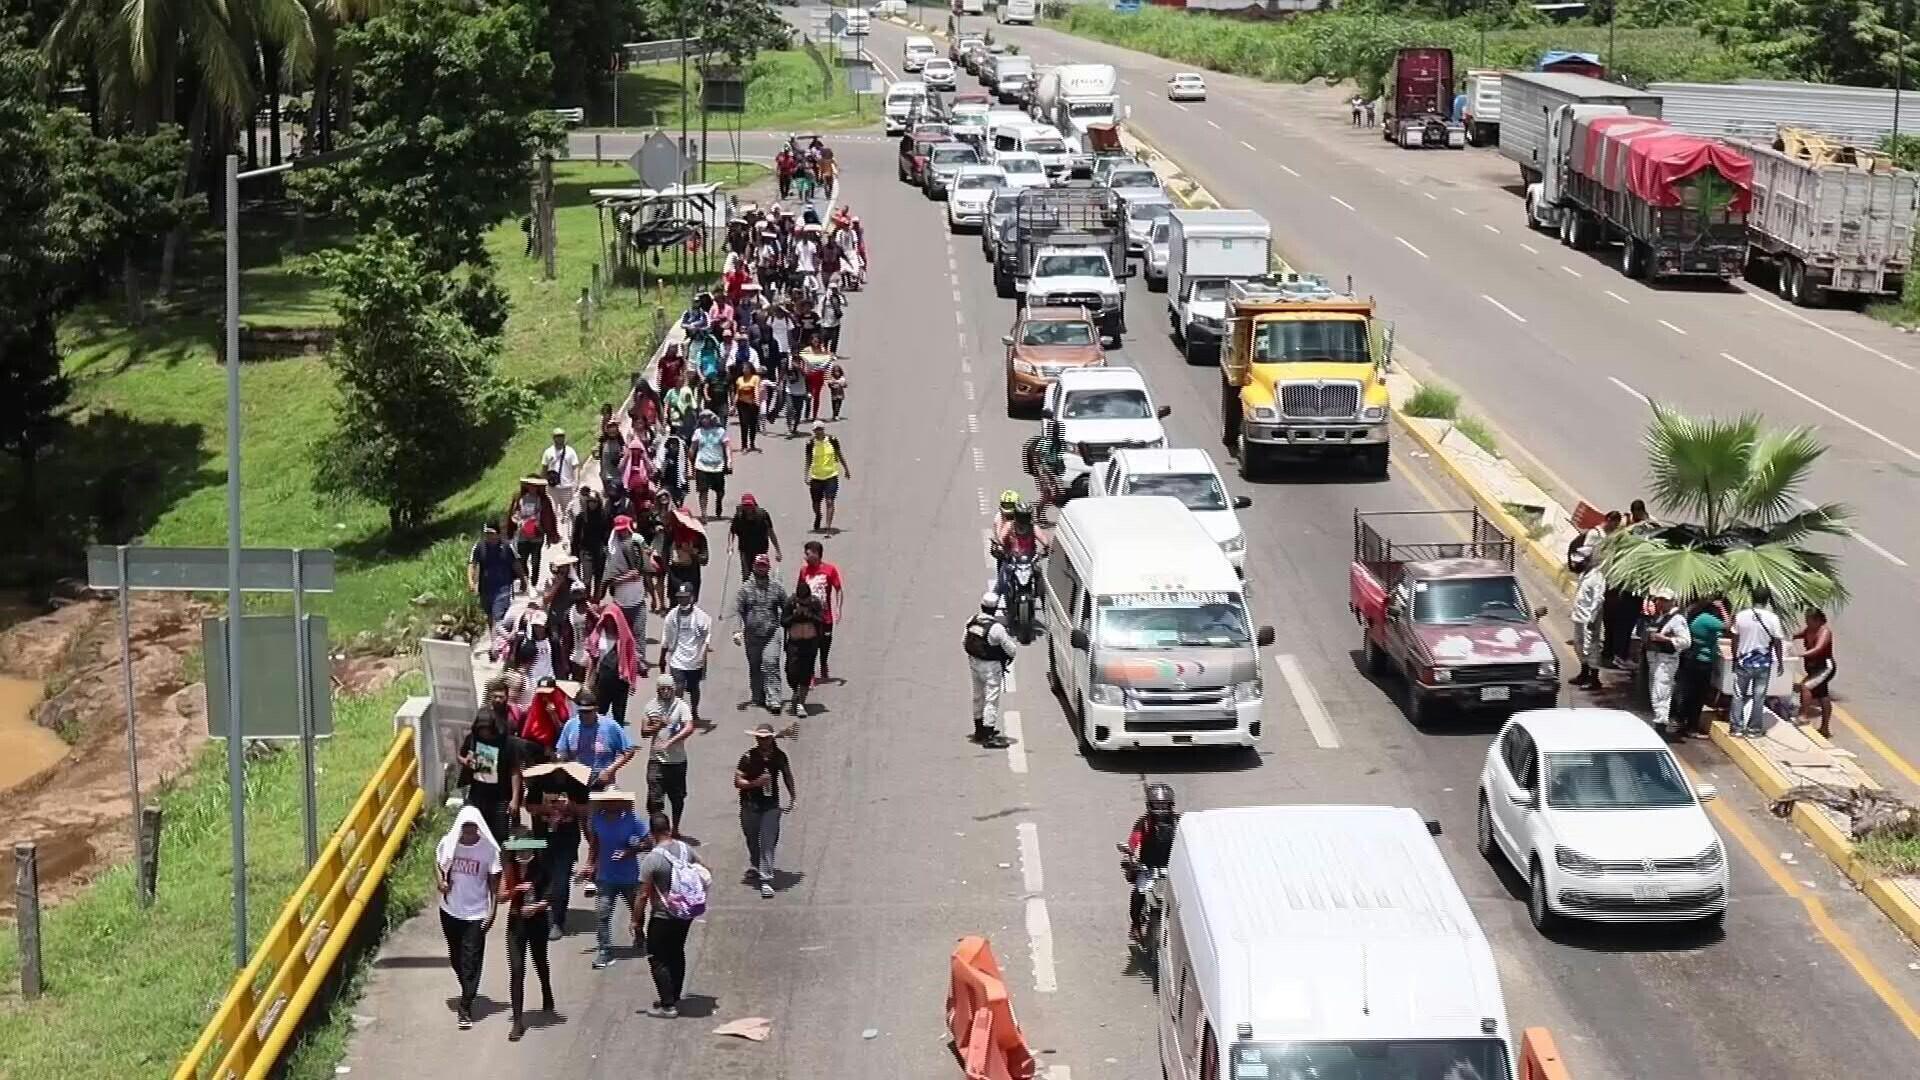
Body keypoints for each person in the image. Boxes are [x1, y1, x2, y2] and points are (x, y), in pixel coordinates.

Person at [436, 806, 501, 1029]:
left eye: (473, 827)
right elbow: (438, 863)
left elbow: (494, 883)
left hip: (476, 913)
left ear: (479, 827)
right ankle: (468, 988)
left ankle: (465, 1005)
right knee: (456, 958)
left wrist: (492, 912)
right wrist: (441, 882)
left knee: (471, 960)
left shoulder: (489, 850)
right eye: (465, 827)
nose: (469, 832)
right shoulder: (449, 843)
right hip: (451, 910)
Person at [638, 812, 707, 1018]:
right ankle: (674, 996)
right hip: (685, 912)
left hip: (662, 914)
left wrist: (635, 921)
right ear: (669, 828)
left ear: (652, 832)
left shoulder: (652, 859)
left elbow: (642, 894)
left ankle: (668, 1005)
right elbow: (704, 869)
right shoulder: (685, 849)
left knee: (657, 957)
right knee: (677, 952)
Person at [580, 789, 649, 970]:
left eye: (614, 801)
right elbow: (594, 845)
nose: (610, 804)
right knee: (602, 914)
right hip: (605, 877)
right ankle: (605, 950)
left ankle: (639, 934)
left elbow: (648, 842)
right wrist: (589, 865)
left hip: (629, 876)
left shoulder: (633, 820)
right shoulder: (597, 820)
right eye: (607, 801)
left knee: (637, 912)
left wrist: (630, 852)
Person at [500, 835, 557, 1041]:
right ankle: (517, 1021)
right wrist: (514, 889)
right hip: (516, 924)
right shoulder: (510, 868)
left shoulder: (542, 868)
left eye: (526, 851)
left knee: (540, 961)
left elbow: (550, 898)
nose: (522, 855)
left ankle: (546, 991)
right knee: (516, 970)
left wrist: (535, 907)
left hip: (538, 922)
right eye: (519, 851)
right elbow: (500, 897)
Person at [735, 723, 796, 898]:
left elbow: (787, 775)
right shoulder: (748, 757)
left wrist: (793, 796)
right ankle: (757, 864)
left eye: (766, 738)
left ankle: (766, 879)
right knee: (752, 838)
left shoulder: (779, 756)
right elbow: (738, 782)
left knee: (768, 842)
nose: (763, 741)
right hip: (750, 805)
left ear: (772, 738)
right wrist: (755, 784)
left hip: (770, 806)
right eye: (760, 738)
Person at [1122, 783, 1179, 942]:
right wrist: (1129, 855)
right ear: (1149, 804)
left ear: (1170, 805)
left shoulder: (1179, 822)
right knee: (1139, 893)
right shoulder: (1144, 823)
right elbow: (1134, 840)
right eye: (1157, 804)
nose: (1160, 808)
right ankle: (1135, 926)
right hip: (1148, 866)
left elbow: (1190, 840)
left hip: (1173, 866)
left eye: (1163, 804)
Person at [734, 553, 789, 713]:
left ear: (768, 567)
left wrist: (789, 627)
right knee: (755, 666)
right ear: (753, 567)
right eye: (759, 565)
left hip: (771, 633)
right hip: (752, 635)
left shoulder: (776, 587)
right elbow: (738, 610)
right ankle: (758, 696)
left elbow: (786, 607)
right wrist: (737, 630)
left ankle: (774, 699)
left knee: (771, 664)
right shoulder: (745, 589)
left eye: (764, 565)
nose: (761, 568)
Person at [459, 708, 522, 844]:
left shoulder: (507, 743)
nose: (484, 733)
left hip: (501, 795)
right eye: (481, 730)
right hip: (477, 793)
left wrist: (515, 799)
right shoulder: (472, 739)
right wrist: (465, 762)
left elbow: (515, 771)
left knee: (499, 835)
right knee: (475, 830)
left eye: (487, 730)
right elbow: (461, 755)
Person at [642, 674, 696, 831]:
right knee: (654, 799)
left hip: (677, 761)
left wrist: (670, 742)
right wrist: (658, 726)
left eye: (669, 689)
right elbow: (644, 731)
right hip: (656, 760)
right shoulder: (650, 707)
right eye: (662, 689)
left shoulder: (681, 706)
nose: (666, 692)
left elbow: (689, 727)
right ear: (657, 690)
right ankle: (658, 831)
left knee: (677, 798)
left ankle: (675, 828)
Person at [1729, 589, 1786, 738]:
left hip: (1743, 662)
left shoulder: (1741, 616)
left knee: (1738, 695)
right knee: (1759, 696)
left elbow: (1734, 638)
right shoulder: (1773, 618)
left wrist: (1735, 658)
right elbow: (1777, 642)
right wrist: (1780, 662)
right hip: (1763, 664)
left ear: (1752, 598)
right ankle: (1754, 729)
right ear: (1767, 601)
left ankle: (1736, 728)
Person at [963, 591, 1016, 749]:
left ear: (982, 606)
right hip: (991, 667)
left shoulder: (971, 621)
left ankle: (979, 730)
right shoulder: (996, 628)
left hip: (974, 663)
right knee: (991, 700)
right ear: (994, 610)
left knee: (978, 696)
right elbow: (1011, 649)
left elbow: (963, 641)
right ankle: (988, 735)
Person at [556, 692, 637, 790]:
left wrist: (610, 770)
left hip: (603, 779)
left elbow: (629, 750)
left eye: (588, 712)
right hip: (576, 779)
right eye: (581, 712)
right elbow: (562, 751)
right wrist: (560, 759)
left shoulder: (610, 725)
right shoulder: (571, 725)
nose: (584, 715)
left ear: (596, 710)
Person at [659, 583, 715, 725]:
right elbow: (665, 638)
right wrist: (662, 658)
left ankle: (694, 711)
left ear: (692, 598)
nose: (682, 600)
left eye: (685, 597)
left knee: (694, 688)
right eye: (680, 598)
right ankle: (679, 715)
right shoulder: (671, 616)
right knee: (678, 688)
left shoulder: (702, 617)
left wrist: (704, 655)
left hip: (694, 661)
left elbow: (706, 637)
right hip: (677, 660)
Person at [1674, 599, 1726, 740]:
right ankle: (1692, 728)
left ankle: (1681, 721)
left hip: (1691, 659)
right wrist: (1722, 609)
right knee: (1698, 697)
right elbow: (1729, 626)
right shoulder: (1707, 619)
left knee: (1688, 693)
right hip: (1702, 662)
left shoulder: (1695, 617)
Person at [796, 540, 844, 683]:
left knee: (825, 642)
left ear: (816, 554)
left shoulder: (830, 570)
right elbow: (799, 591)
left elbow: (839, 589)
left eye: (807, 553)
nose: (805, 556)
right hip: (809, 616)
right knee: (810, 644)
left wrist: (838, 609)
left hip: (825, 615)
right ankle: (809, 673)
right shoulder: (803, 571)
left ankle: (823, 663)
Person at [1645, 590, 1690, 738]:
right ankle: (1658, 722)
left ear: (1672, 601)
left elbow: (1685, 641)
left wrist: (1665, 639)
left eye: (1664, 600)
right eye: (1659, 599)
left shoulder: (1677, 619)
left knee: (1661, 691)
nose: (1660, 603)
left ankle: (1661, 725)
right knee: (1655, 691)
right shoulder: (1660, 616)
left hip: (1666, 661)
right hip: (1655, 659)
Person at [782, 581, 826, 718]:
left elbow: (821, 620)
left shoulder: (815, 603)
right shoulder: (790, 602)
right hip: (794, 643)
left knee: (806, 673)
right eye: (801, 601)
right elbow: (783, 621)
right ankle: (795, 690)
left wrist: (809, 615)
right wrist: (795, 616)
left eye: (805, 600)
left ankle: (801, 701)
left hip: (810, 642)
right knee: (791, 671)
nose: (804, 603)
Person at [605, 515, 651, 644]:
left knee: (639, 640)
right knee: (623, 641)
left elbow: (646, 569)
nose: (622, 533)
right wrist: (627, 577)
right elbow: (610, 581)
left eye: (624, 530)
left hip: (638, 602)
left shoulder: (636, 545)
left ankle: (639, 664)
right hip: (620, 604)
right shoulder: (612, 553)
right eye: (619, 531)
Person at [470, 521, 524, 629]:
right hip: (485, 588)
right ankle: (495, 640)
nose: (489, 536)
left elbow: (516, 563)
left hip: (503, 588)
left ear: (498, 533)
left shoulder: (507, 547)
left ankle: (502, 640)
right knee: (489, 615)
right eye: (487, 533)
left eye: (491, 533)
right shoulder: (479, 547)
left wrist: (523, 579)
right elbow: (472, 564)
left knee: (498, 616)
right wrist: (471, 582)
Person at [507, 477, 560, 587]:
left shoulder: (544, 500)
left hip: (537, 534)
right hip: (522, 534)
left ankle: (534, 580)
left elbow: (549, 517)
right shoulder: (519, 498)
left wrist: (550, 534)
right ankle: (525, 580)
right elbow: (513, 514)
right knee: (522, 559)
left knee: (536, 560)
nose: (532, 488)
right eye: (530, 485)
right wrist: (517, 522)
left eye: (535, 486)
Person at [1794, 608, 1836, 738]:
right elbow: (1799, 634)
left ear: (1818, 621)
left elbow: (1818, 649)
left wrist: (1800, 654)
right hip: (1813, 667)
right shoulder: (1810, 629)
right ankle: (1825, 728)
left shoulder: (1824, 632)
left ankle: (1804, 716)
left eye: (1809, 621)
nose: (1807, 623)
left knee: (1806, 687)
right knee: (1823, 695)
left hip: (1824, 667)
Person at [804, 422, 850, 532]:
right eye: (816, 430)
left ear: (823, 430)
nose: (818, 432)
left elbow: (839, 454)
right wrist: (806, 474)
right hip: (816, 477)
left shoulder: (832, 440)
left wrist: (846, 469)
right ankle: (818, 515)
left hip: (831, 476)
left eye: (820, 429)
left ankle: (828, 526)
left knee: (829, 501)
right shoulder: (810, 443)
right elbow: (808, 459)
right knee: (815, 503)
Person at [1567, 563, 1607, 690]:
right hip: (1579, 616)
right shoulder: (1584, 573)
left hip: (1589, 619)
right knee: (1578, 645)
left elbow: (1598, 599)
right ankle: (1583, 673)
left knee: (1590, 648)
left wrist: (1592, 618)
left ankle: (1594, 679)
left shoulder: (1597, 576)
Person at [727, 493, 782, 579]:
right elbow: (732, 532)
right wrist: (730, 545)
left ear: (754, 505)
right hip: (745, 550)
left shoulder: (763, 515)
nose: (748, 508)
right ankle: (747, 591)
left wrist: (777, 550)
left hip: (761, 549)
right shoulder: (739, 517)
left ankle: (762, 590)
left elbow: (770, 532)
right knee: (746, 575)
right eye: (745, 506)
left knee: (761, 572)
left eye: (750, 505)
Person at [572, 488, 613, 602]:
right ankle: (586, 601)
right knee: (586, 579)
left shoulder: (604, 516)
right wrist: (574, 553)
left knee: (599, 579)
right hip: (586, 551)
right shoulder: (581, 517)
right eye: (589, 501)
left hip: (600, 551)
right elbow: (575, 536)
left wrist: (607, 548)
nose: (592, 504)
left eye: (594, 501)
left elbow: (609, 534)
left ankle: (596, 601)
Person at [691, 410, 731, 521]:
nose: (704, 420)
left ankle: (719, 502)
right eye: (702, 418)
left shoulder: (720, 431)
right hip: (702, 465)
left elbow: (727, 446)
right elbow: (693, 449)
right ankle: (704, 513)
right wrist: (691, 465)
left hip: (718, 465)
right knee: (703, 491)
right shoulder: (698, 432)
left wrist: (729, 462)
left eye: (707, 417)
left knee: (720, 491)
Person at [542, 428, 582, 530]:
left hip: (567, 486)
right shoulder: (548, 452)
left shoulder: (570, 451)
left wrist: (576, 482)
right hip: (552, 488)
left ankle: (569, 533)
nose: (560, 439)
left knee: (568, 512)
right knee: (552, 512)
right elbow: (544, 468)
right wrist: (543, 483)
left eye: (561, 436)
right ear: (554, 438)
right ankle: (554, 534)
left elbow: (575, 467)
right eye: (557, 436)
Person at [734, 363, 763, 452]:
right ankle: (744, 445)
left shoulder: (755, 378)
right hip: (742, 404)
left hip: (752, 404)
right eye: (743, 368)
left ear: (750, 369)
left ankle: (752, 443)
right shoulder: (739, 379)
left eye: (746, 368)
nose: (745, 370)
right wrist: (733, 405)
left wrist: (757, 401)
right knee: (744, 424)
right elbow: (737, 393)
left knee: (753, 425)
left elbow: (757, 390)